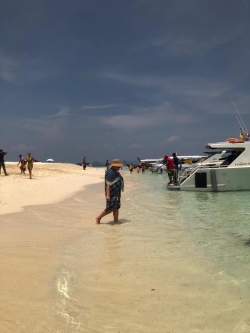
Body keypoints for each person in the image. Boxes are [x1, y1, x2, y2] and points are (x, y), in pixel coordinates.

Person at [95, 159, 124, 224]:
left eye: (119, 167)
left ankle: (116, 221)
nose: (119, 168)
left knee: (116, 207)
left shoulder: (115, 173)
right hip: (111, 193)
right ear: (114, 166)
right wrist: (108, 195)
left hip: (117, 193)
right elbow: (108, 184)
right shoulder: (110, 173)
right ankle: (98, 217)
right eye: (118, 167)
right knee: (110, 208)